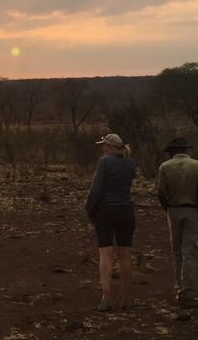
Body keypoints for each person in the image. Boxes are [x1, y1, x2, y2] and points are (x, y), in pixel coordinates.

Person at [85, 133, 137, 311]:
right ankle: (128, 299)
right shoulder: (130, 162)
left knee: (105, 255)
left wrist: (90, 210)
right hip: (126, 211)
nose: (102, 148)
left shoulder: (104, 162)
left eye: (104, 145)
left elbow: (96, 190)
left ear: (111, 147)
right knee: (125, 256)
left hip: (106, 211)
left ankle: (106, 298)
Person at [156, 137, 198, 308]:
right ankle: (188, 292)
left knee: (177, 251)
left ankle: (179, 287)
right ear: (185, 150)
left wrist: (167, 208)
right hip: (192, 209)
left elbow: (160, 192)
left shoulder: (165, 167)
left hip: (173, 209)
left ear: (172, 151)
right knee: (190, 251)